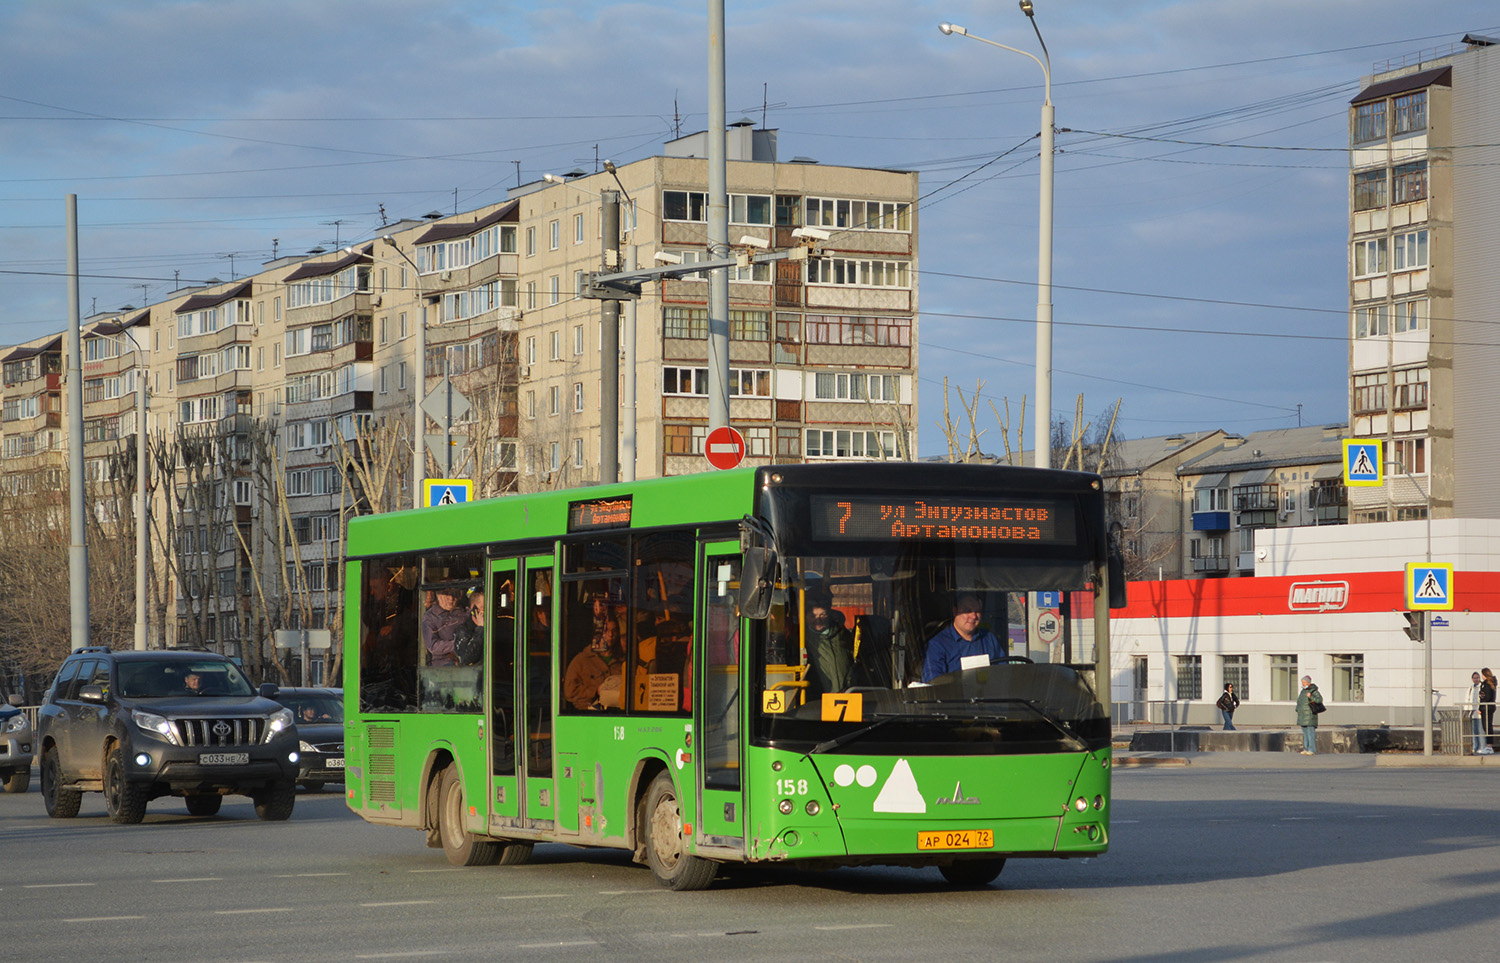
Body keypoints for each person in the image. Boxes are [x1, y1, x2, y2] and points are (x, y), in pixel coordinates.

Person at [922, 594, 1006, 682]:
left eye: (977, 611)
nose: (973, 616)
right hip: (954, 694)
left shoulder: (989, 639)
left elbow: (1003, 672)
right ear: (955, 611)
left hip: (990, 693)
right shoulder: (937, 644)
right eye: (968, 611)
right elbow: (933, 680)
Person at [564, 620, 624, 710]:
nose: (611, 634)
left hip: (618, 714)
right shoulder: (580, 661)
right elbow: (569, 692)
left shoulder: (624, 661)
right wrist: (595, 690)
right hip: (588, 716)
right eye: (606, 630)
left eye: (614, 630)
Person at [805, 596, 852, 695]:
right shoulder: (801, 640)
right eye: (813, 616)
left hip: (848, 695)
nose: (818, 620)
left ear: (829, 615)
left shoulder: (842, 635)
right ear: (806, 617)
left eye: (823, 615)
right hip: (816, 702)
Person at [422, 587, 469, 667]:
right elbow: (433, 646)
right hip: (444, 663)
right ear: (438, 596)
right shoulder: (430, 617)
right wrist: (457, 644)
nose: (451, 598)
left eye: (454, 595)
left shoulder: (464, 612)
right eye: (446, 595)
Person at [451, 590, 485, 666]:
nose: (486, 611)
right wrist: (480, 629)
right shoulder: (463, 630)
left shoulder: (492, 627)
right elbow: (467, 658)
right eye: (483, 607)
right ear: (473, 608)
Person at [1295, 675, 1324, 755]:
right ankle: (1306, 748)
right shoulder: (1303, 691)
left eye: (1304, 682)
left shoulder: (1313, 691)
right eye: (1302, 682)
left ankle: (1312, 749)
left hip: (1310, 715)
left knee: (1310, 733)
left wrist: (1311, 697)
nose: (1303, 684)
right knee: (1305, 733)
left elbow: (1319, 700)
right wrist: (1298, 709)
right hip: (1303, 715)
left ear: (1308, 682)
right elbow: (1300, 701)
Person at [1467, 672, 1491, 755]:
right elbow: (1468, 699)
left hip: (1479, 711)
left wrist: (1481, 709)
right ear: (1472, 679)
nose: (1476, 679)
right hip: (1472, 712)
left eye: (1477, 678)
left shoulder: (1481, 687)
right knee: (1474, 731)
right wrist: (1467, 710)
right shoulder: (1470, 688)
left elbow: (1482, 699)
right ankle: (1475, 747)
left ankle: (1482, 746)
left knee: (1481, 730)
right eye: (1474, 678)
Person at [1482, 668, 1497, 753]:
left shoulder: (1487, 684)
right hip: (1488, 707)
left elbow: (1486, 697)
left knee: (1487, 726)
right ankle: (1488, 745)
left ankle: (1489, 746)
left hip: (1487, 707)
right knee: (1487, 726)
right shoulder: (1490, 684)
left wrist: (1481, 696)